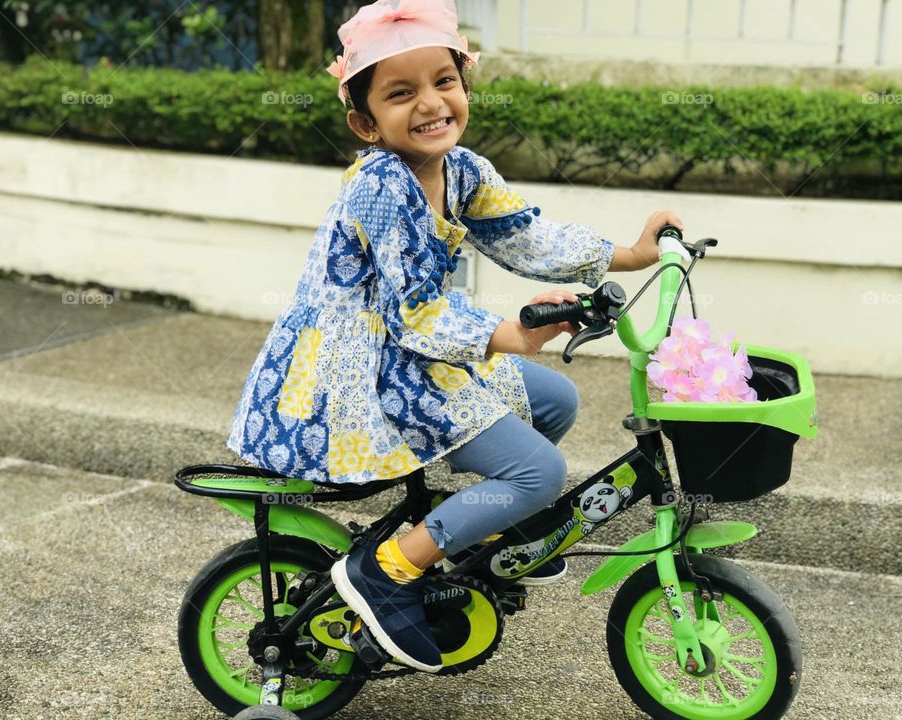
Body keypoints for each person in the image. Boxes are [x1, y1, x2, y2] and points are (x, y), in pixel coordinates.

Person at [227, 0, 684, 674]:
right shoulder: (382, 187)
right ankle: (387, 571)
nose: (430, 103)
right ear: (366, 122)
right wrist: (509, 333)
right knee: (540, 472)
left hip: (414, 351)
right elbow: (414, 314)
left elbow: (525, 235)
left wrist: (633, 254)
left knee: (554, 400)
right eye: (400, 93)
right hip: (368, 365)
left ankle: (476, 536)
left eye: (444, 81)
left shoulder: (461, 169)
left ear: (465, 85)